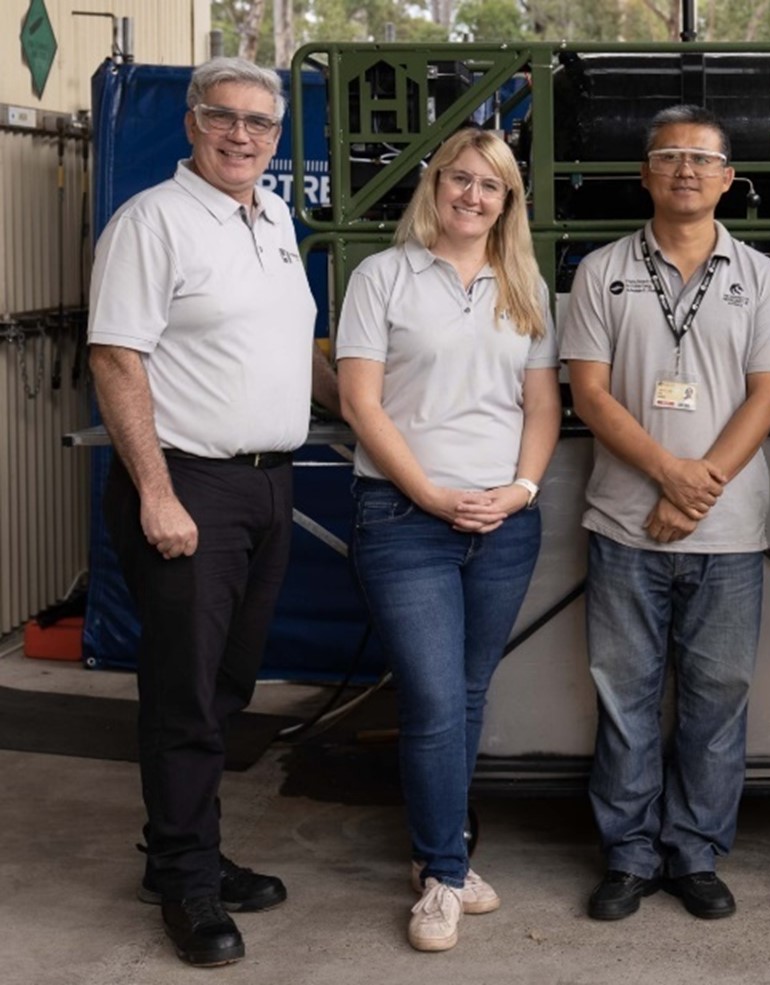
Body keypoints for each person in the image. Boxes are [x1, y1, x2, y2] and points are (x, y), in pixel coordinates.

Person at [88, 57, 337, 967]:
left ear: (277, 137)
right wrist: (156, 491)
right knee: (185, 694)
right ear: (192, 124)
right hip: (191, 483)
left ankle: (180, 850)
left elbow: (291, 348)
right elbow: (116, 359)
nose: (243, 136)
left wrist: (372, 410)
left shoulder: (273, 216)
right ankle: (188, 885)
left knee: (227, 684)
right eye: (224, 118)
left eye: (260, 124)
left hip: (272, 480)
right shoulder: (151, 222)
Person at [561, 104, 770, 922]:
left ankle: (695, 851)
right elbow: (588, 393)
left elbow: (769, 394)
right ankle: (628, 854)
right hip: (624, 523)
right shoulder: (600, 271)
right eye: (669, 156)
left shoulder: (761, 276)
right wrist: (669, 474)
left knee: (718, 695)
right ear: (645, 174)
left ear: (729, 179)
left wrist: (701, 486)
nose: (686, 170)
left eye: (703, 159)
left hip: (729, 530)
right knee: (624, 695)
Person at [336, 128, 561, 953]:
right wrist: (427, 491)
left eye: (490, 186)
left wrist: (522, 489)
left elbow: (542, 407)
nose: (472, 195)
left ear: (508, 203)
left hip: (504, 523)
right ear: (433, 185)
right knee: (432, 699)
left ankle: (443, 857)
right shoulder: (382, 277)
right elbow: (362, 402)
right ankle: (441, 869)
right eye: (459, 179)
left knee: (466, 696)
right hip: (404, 517)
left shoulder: (524, 284)